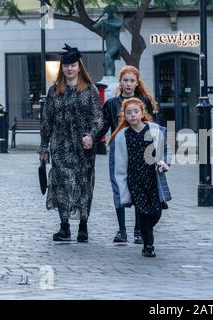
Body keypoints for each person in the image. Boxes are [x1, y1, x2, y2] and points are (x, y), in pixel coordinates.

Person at [38, 44, 103, 243]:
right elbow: (47, 120)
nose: (69, 69)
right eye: (66, 66)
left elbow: (98, 118)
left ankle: (83, 225)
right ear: (62, 69)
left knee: (84, 185)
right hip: (60, 145)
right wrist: (43, 146)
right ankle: (64, 226)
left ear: (79, 66)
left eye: (73, 65)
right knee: (62, 185)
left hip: (84, 147)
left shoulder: (90, 90)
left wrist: (91, 135)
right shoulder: (54, 90)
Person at [94, 65, 159, 244]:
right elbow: (103, 126)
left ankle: (139, 230)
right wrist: (91, 139)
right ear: (120, 82)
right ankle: (122, 230)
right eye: (125, 80)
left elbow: (154, 127)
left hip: (140, 151)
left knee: (140, 188)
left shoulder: (143, 102)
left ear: (137, 83)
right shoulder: (112, 104)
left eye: (132, 81)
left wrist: (159, 153)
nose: (128, 84)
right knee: (119, 187)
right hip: (119, 150)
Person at [108, 97, 171, 257]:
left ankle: (147, 232)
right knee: (143, 211)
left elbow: (164, 150)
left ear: (142, 113)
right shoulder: (123, 136)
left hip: (152, 177)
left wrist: (164, 162)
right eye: (129, 113)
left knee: (156, 212)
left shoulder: (154, 130)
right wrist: (121, 184)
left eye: (136, 111)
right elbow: (119, 162)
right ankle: (148, 245)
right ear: (125, 116)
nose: (133, 115)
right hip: (135, 180)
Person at [93, 6, 123, 76]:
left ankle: (109, 73)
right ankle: (110, 74)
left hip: (115, 43)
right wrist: (100, 21)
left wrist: (106, 24)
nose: (110, 14)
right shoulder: (105, 21)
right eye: (108, 12)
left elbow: (118, 26)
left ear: (113, 13)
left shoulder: (118, 20)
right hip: (108, 43)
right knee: (110, 60)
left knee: (107, 56)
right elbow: (94, 27)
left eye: (111, 12)